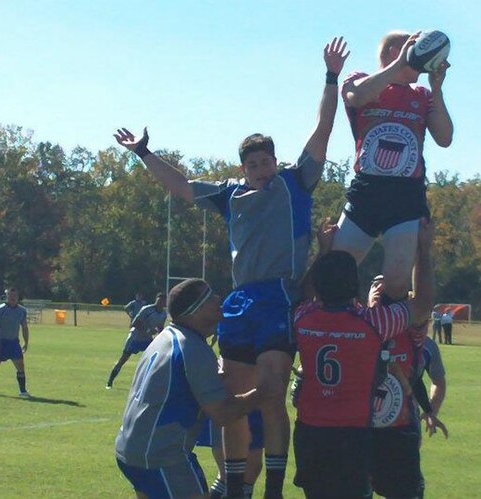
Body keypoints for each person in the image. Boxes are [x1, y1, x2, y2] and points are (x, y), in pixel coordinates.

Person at [114, 37, 349, 499]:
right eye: (253, 164)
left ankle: (274, 488)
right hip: (240, 302)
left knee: (273, 392)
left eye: (266, 161)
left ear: (276, 162)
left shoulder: (295, 184)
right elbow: (180, 186)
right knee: (232, 399)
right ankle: (237, 485)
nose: (261, 169)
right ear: (242, 169)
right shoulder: (230, 195)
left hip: (280, 297)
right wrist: (144, 153)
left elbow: (322, 130)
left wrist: (330, 78)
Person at [292, 218, 434, 499]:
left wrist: (324, 251)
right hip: (351, 433)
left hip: (309, 432)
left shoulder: (302, 318)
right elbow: (422, 305)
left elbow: (304, 294)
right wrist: (423, 252)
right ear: (354, 285)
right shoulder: (373, 323)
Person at [332, 30, 453, 303]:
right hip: (367, 191)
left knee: (397, 281)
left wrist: (437, 88)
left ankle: (388, 335)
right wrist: (400, 64)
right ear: (391, 53)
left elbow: (445, 138)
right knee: (335, 272)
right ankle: (341, 325)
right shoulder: (360, 80)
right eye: (411, 48)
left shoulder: (423, 95)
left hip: (405, 196)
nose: (419, 57)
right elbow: (355, 97)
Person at [115, 278, 261, 499]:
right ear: (195, 310)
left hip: (132, 449)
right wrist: (264, 392)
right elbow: (222, 413)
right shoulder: (192, 347)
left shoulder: (167, 337)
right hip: (159, 456)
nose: (218, 299)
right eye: (210, 297)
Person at [365, 272, 441, 499]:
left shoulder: (412, 332)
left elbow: (423, 305)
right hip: (363, 432)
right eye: (376, 287)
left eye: (384, 288)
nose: (380, 293)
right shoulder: (362, 325)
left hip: (399, 433)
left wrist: (428, 409)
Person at [107, 293, 167, 389]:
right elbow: (135, 323)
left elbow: (160, 327)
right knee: (123, 359)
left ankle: (150, 384)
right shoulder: (147, 309)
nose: (159, 303)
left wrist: (163, 337)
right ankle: (110, 381)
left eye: (162, 301)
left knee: (155, 360)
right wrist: (147, 330)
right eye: (159, 300)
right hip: (135, 337)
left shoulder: (163, 314)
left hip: (147, 340)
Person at [0, 288, 31, 398]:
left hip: (14, 343)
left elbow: (24, 327)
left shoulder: (22, 311)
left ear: (18, 297)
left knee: (20, 366)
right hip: (1, 342)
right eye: (10, 295)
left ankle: (23, 391)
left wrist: (26, 342)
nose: (13, 298)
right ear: (7, 296)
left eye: (15, 295)